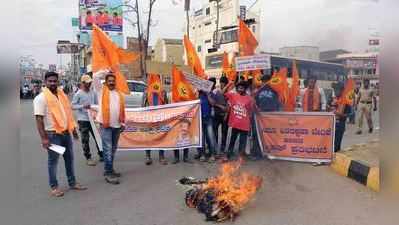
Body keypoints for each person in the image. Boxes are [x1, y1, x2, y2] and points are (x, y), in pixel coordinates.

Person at [33, 72, 87, 197]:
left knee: (69, 159)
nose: (52, 83)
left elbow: (67, 114)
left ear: (58, 81)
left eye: (54, 81)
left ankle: (72, 183)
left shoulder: (62, 96)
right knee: (53, 161)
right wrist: (44, 139)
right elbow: (39, 119)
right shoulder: (41, 98)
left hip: (65, 134)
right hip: (52, 136)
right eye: (50, 81)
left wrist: (73, 130)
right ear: (45, 82)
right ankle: (54, 187)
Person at [96, 72, 126, 185]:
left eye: (113, 81)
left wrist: (122, 123)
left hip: (117, 126)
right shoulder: (101, 91)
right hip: (106, 126)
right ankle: (108, 173)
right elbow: (95, 76)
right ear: (106, 82)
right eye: (109, 81)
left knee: (112, 150)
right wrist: (106, 71)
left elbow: (121, 109)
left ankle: (110, 169)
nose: (112, 82)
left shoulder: (118, 93)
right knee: (108, 149)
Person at [71, 74, 103, 166]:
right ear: (83, 83)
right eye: (87, 83)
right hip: (83, 119)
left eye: (90, 83)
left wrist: (96, 111)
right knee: (85, 139)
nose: (89, 84)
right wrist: (82, 106)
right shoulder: (78, 94)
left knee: (98, 137)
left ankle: (101, 154)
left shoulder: (93, 92)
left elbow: (97, 104)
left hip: (93, 119)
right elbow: (72, 106)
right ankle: (88, 157)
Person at [251, 73, 282, 160]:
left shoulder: (274, 91)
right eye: (263, 81)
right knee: (257, 134)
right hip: (259, 117)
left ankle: (270, 152)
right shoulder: (257, 91)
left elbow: (278, 104)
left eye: (267, 80)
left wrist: (276, 114)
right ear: (261, 81)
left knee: (270, 135)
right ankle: (257, 154)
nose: (265, 82)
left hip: (270, 117)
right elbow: (253, 103)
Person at [224, 81, 254, 161]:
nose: (240, 89)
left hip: (244, 125)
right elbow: (223, 93)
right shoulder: (233, 95)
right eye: (238, 88)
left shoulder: (249, 99)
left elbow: (250, 112)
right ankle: (228, 155)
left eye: (242, 88)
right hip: (235, 124)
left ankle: (241, 157)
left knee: (242, 142)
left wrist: (250, 124)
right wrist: (229, 84)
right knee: (232, 141)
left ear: (245, 89)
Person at [142, 76, 168, 166]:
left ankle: (161, 157)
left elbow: (167, 105)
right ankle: (148, 156)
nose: (155, 81)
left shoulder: (163, 92)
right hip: (149, 119)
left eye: (157, 79)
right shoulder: (146, 92)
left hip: (160, 118)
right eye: (153, 79)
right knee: (148, 138)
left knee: (161, 137)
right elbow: (142, 106)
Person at [328, 83, 351, 152]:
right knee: (330, 143)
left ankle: (336, 159)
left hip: (340, 124)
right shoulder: (332, 99)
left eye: (337, 89)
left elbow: (348, 114)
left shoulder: (346, 101)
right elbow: (327, 109)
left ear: (342, 91)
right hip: (331, 124)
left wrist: (338, 114)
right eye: (335, 89)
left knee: (336, 145)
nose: (335, 91)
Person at [196, 89, 217, 162]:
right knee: (201, 138)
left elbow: (213, 103)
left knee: (210, 137)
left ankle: (212, 155)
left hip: (208, 118)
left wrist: (208, 94)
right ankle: (202, 154)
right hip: (199, 118)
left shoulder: (210, 93)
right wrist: (197, 94)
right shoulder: (196, 93)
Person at [210, 76, 228, 155]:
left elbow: (229, 104)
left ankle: (223, 149)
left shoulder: (230, 92)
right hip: (216, 115)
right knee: (215, 133)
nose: (222, 84)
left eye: (223, 83)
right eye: (221, 83)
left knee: (224, 133)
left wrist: (226, 115)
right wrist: (220, 106)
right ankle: (215, 148)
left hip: (225, 115)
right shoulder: (215, 91)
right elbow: (213, 103)